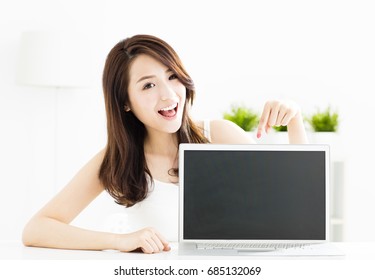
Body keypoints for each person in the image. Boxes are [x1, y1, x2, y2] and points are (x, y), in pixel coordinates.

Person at [22, 34, 308, 254]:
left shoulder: (218, 135)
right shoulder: (116, 160)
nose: (169, 94)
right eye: (148, 85)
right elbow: (37, 229)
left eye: (172, 76)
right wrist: (119, 241)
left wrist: (294, 119)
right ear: (125, 103)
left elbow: (297, 202)